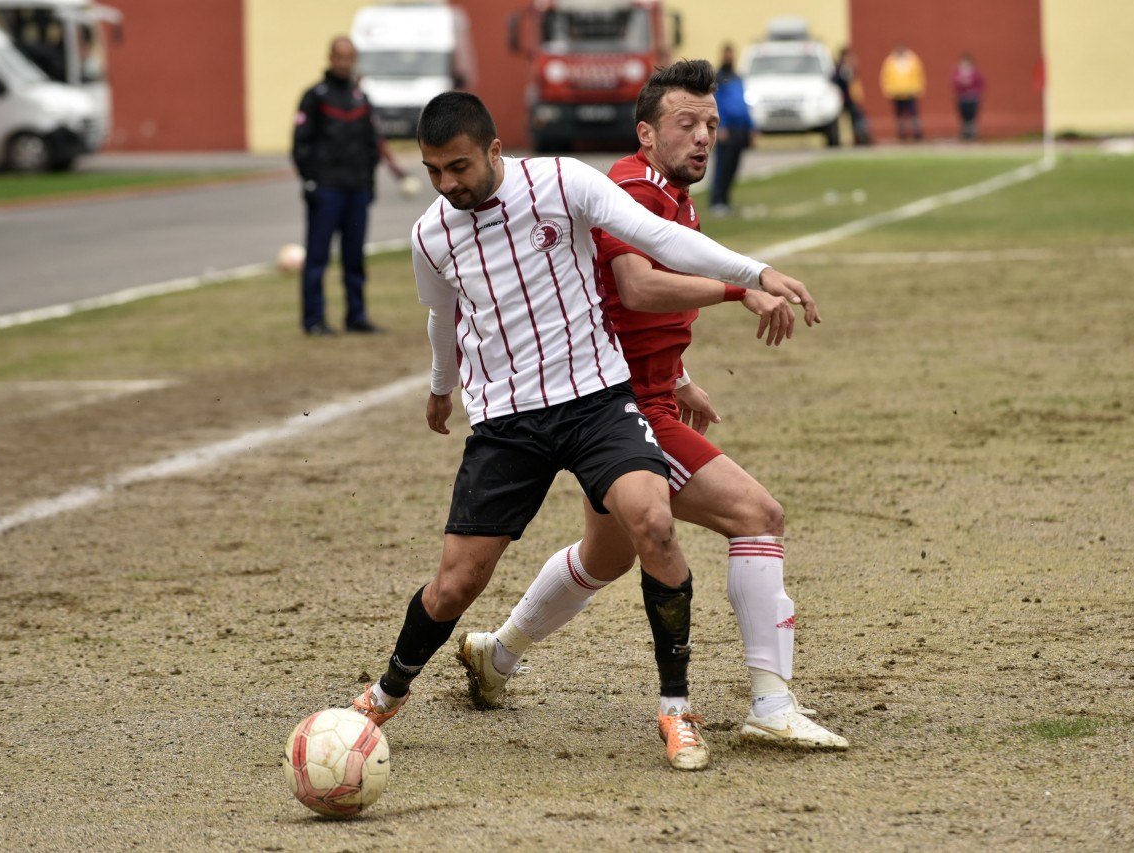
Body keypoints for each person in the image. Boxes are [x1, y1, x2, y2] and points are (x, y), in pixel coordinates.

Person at [349, 90, 816, 771]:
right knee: (457, 583)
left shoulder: (561, 182)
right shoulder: (430, 233)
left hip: (596, 400)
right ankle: (388, 691)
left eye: (459, 167)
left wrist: (754, 273)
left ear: (495, 151)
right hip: (507, 421)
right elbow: (439, 313)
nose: (448, 184)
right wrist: (441, 385)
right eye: (433, 171)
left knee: (651, 524)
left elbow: (657, 239)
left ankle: (676, 710)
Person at [455, 60, 848, 754]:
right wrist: (739, 289)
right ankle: (772, 702)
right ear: (647, 131)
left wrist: (683, 371)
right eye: (685, 124)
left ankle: (498, 653)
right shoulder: (633, 186)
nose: (703, 137)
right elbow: (637, 285)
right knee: (758, 515)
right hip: (621, 408)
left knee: (605, 555)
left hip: (644, 391)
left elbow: (617, 304)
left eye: (712, 125)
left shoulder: (673, 194)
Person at [291, 36, 409, 336]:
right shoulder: (315, 96)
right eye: (339, 56)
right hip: (327, 189)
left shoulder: (361, 98)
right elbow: (300, 144)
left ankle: (356, 316)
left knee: (354, 257)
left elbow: (373, 145)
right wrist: (311, 181)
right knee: (317, 257)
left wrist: (369, 186)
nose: (344, 62)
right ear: (330, 58)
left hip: (357, 190)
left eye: (349, 57)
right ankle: (314, 319)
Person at [709, 43, 755, 216]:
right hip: (726, 129)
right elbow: (717, 104)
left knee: (734, 167)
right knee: (723, 166)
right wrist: (720, 126)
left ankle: (726, 201)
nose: (729, 57)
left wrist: (751, 126)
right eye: (727, 54)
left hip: (740, 128)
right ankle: (716, 201)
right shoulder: (719, 78)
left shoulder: (737, 77)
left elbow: (743, 104)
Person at [879, 42, 925, 141]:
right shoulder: (890, 61)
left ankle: (917, 133)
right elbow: (885, 77)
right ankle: (901, 133)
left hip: (910, 91)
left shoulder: (912, 60)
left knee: (913, 114)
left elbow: (918, 75)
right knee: (899, 115)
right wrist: (888, 89)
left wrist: (918, 88)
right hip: (896, 92)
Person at [833, 47, 873, 146]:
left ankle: (861, 138)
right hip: (844, 99)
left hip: (851, 99)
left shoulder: (848, 68)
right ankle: (860, 138)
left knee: (857, 117)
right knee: (855, 117)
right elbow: (838, 82)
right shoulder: (839, 69)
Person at [952, 53, 986, 140]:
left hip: (972, 99)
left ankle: (972, 136)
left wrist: (974, 92)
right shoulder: (958, 72)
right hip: (962, 98)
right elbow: (954, 83)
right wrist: (961, 83)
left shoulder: (975, 73)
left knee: (971, 118)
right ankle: (965, 135)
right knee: (964, 118)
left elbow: (981, 84)